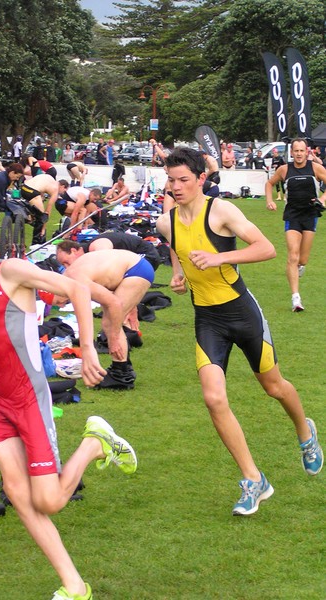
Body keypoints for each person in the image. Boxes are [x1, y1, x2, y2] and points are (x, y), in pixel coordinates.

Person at [0, 207, 137, 600]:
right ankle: (75, 586)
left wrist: (88, 348)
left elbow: (77, 288)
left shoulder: (12, 272)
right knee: (20, 498)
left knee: (49, 501)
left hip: (29, 399)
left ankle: (94, 443)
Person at [156, 146, 323, 516]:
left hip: (242, 313)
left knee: (274, 387)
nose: (176, 186)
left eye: (184, 179)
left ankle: (306, 433)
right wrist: (179, 274)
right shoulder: (165, 221)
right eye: (171, 180)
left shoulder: (222, 210)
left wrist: (219, 257)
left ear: (201, 179)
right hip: (207, 319)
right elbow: (177, 249)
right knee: (214, 398)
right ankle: (253, 479)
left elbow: (266, 249)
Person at [49, 248, 154, 390]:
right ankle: (122, 367)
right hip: (132, 265)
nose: (63, 304)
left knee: (110, 323)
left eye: (59, 302)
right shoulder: (67, 276)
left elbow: (114, 303)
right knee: (109, 321)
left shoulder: (76, 280)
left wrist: (115, 337)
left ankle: (122, 376)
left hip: (135, 270)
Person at [265, 138, 326, 312]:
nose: (299, 154)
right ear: (291, 153)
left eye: (302, 151)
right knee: (293, 256)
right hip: (292, 216)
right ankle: (296, 298)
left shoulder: (315, 168)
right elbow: (269, 183)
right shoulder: (284, 170)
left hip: (310, 215)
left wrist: (322, 199)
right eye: (296, 151)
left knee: (302, 260)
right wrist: (269, 201)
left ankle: (299, 267)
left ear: (307, 152)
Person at [55, 231, 161, 272]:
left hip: (148, 257)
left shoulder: (95, 246)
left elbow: (108, 263)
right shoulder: (88, 251)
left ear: (74, 251)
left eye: (67, 262)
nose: (67, 267)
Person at [19, 173, 59, 244]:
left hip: (24, 188)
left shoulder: (48, 178)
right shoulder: (55, 190)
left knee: (36, 210)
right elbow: (47, 211)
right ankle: (37, 243)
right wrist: (43, 228)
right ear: (63, 187)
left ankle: (30, 217)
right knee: (41, 219)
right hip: (32, 192)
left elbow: (41, 194)